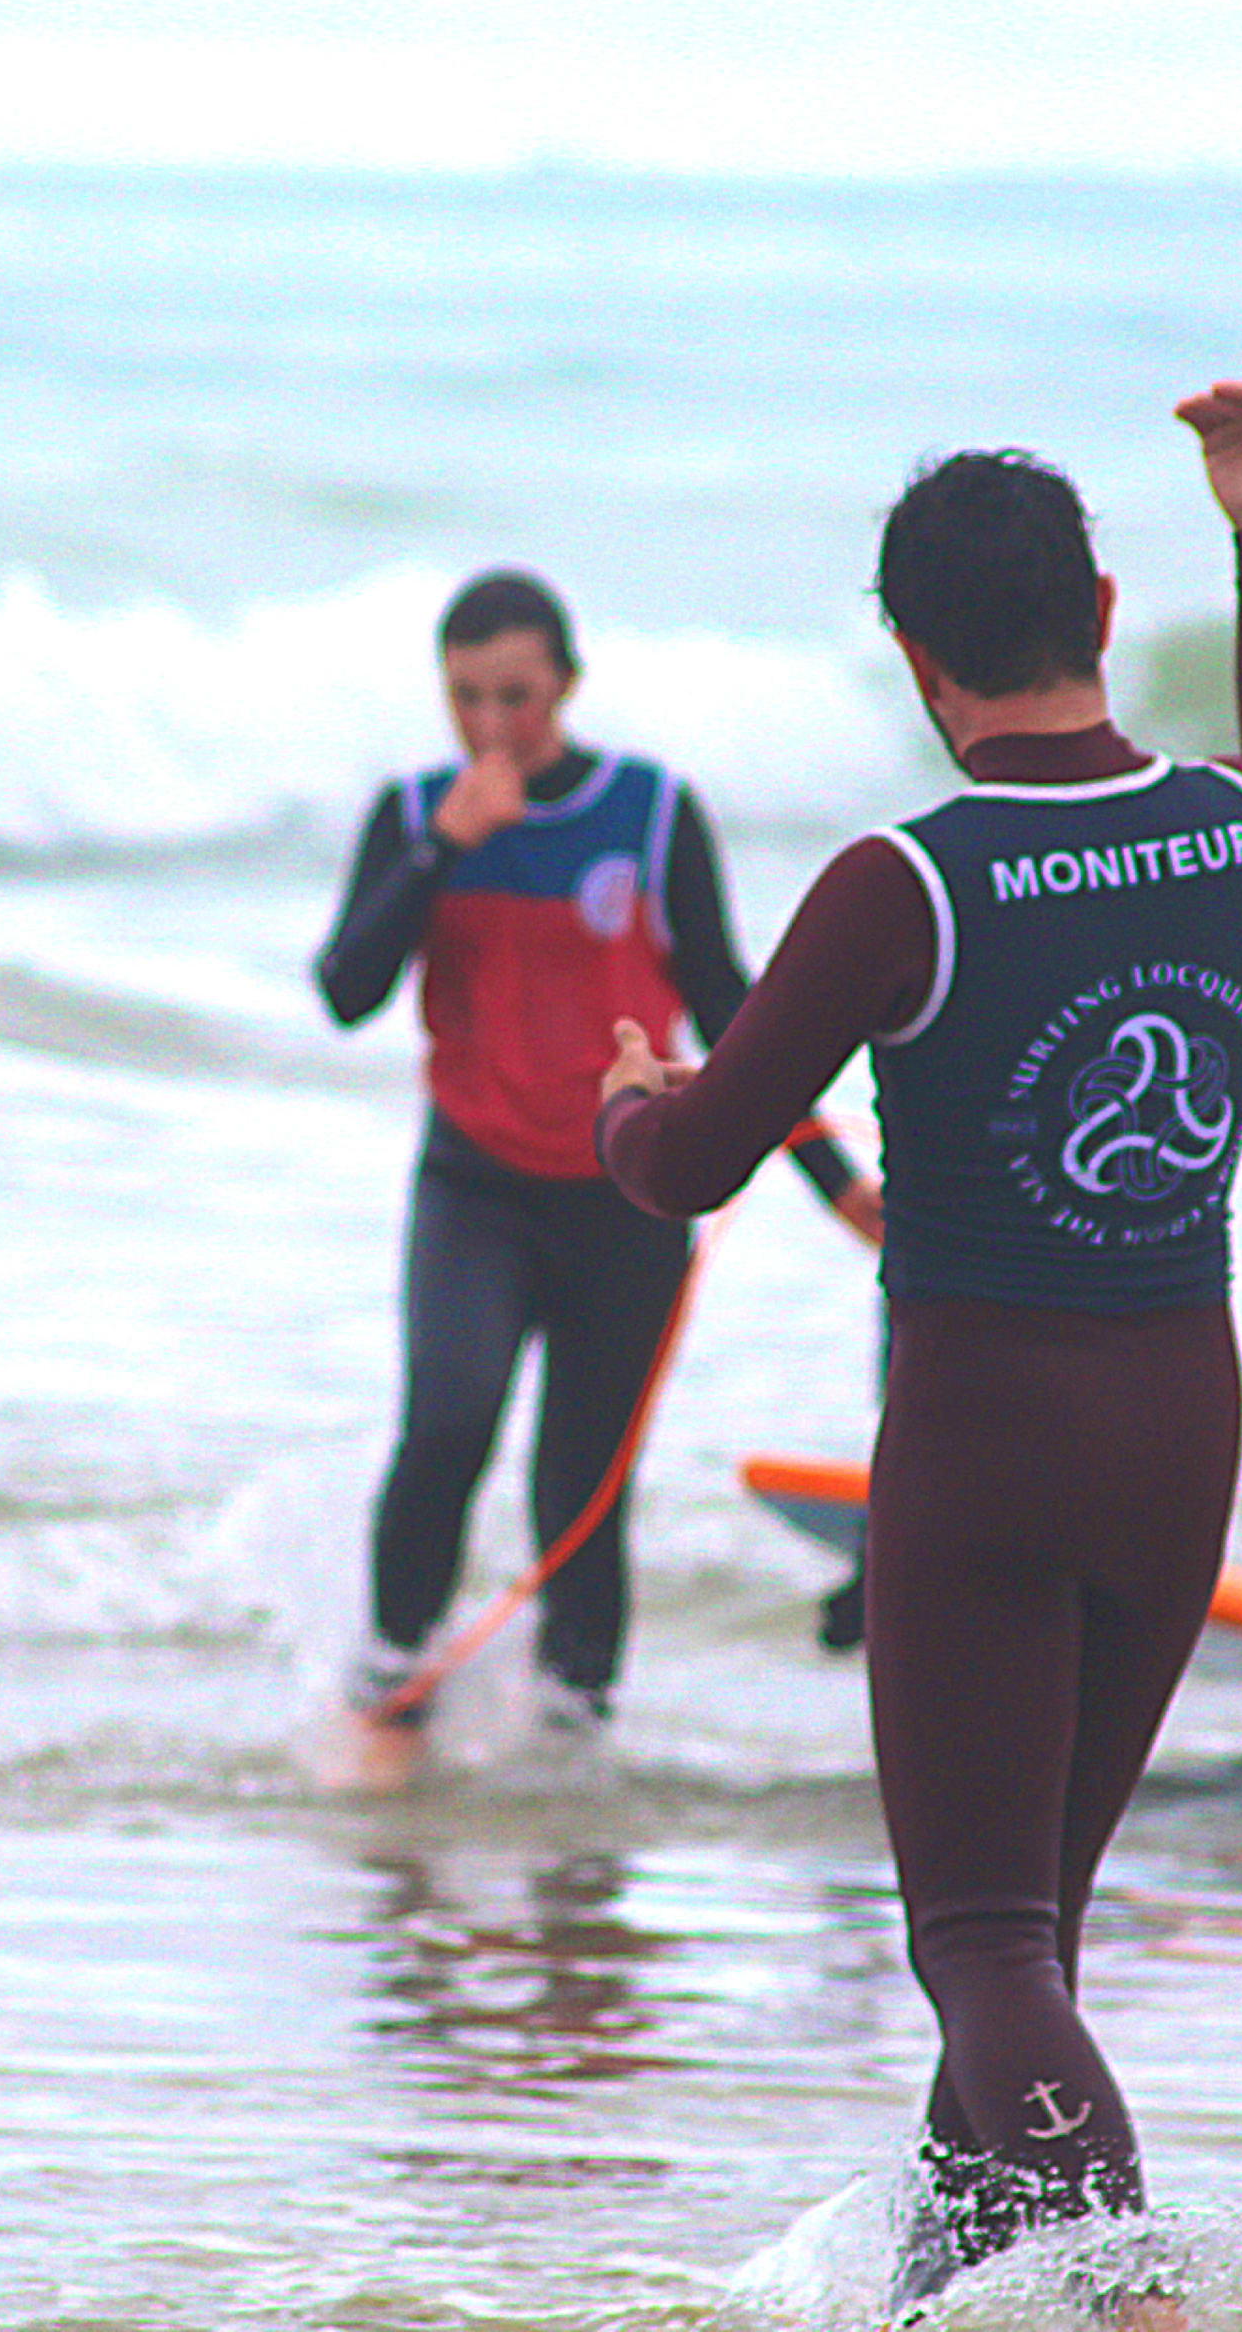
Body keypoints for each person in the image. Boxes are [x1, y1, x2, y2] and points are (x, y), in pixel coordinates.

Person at [596, 384, 1242, 2310]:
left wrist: (625, 1104)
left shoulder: (904, 883)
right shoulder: (1229, 832)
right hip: (1181, 1423)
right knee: (1034, 1936)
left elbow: (691, 1165)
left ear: (920, 665)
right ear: (1100, 609)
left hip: (986, 1439)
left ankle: (1132, 2295)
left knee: (984, 1942)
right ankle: (943, 2294)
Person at [317, 567, 878, 1741]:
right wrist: (442, 851)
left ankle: (575, 1739)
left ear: (566, 685)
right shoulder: (415, 814)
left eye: (515, 695)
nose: (490, 724)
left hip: (628, 1193)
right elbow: (345, 990)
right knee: (448, 1423)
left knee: (582, 1483)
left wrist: (834, 1183)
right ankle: (389, 1684)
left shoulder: (652, 813)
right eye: (465, 697)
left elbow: (729, 1002)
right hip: (472, 1188)